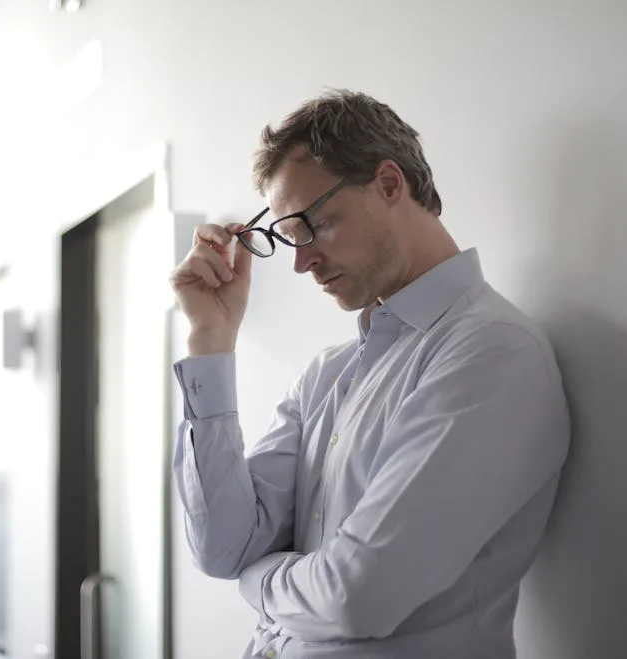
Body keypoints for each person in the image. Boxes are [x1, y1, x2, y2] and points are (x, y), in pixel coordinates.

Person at [168, 89, 570, 659]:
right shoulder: (327, 374)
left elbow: (357, 596)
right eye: (288, 236)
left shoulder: (491, 351)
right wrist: (211, 339)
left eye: (313, 225)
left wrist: (258, 582)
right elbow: (222, 546)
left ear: (388, 184)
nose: (301, 261)